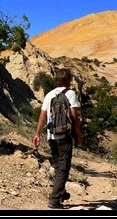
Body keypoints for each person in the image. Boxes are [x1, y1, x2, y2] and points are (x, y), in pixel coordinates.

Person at [33, 68, 83, 209]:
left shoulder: (49, 94)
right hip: (64, 135)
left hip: (51, 136)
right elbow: (74, 116)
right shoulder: (70, 93)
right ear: (68, 80)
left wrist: (37, 134)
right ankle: (54, 200)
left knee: (56, 165)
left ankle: (61, 193)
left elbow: (42, 116)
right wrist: (78, 134)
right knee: (63, 168)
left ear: (57, 80)